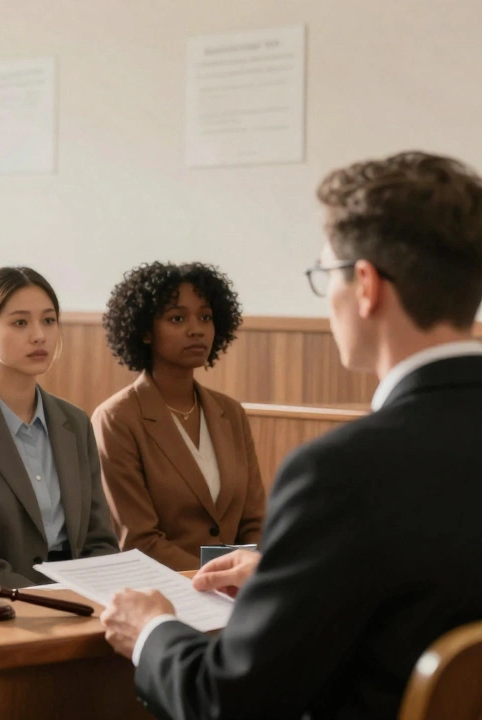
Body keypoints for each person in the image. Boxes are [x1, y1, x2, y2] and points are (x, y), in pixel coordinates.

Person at [103, 151, 482, 720]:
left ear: (364, 285)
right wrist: (288, 576)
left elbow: (227, 700)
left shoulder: (343, 473)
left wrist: (152, 629)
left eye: (324, 273)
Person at [0, 267, 119, 589]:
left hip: (84, 600)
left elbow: (100, 541)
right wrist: (54, 601)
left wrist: (91, 596)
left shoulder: (76, 422)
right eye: (20, 323)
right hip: (4, 604)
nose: (39, 335)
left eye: (49, 320)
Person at [92, 262, 264, 571]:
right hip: (163, 591)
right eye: (177, 318)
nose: (196, 328)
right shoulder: (116, 419)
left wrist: (251, 575)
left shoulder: (231, 413)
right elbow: (139, 541)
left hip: (237, 593)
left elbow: (255, 522)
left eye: (206, 317)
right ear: (145, 331)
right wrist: (216, 580)